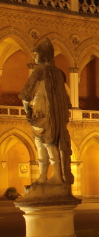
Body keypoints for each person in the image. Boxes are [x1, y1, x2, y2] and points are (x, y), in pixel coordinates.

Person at [20, 39, 73, 186]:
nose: (34, 58)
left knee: (41, 144)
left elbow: (25, 94)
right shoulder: (60, 74)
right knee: (53, 143)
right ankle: (57, 175)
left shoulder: (39, 71)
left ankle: (43, 176)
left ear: (44, 56)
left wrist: (28, 110)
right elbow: (66, 98)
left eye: (36, 55)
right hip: (57, 116)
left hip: (40, 113)